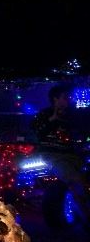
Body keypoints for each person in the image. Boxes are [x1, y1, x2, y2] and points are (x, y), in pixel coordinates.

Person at [32, 84, 90, 224]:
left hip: (73, 155)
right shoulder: (44, 114)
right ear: (55, 99)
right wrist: (53, 119)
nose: (68, 100)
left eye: (68, 97)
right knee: (76, 180)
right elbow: (38, 132)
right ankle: (86, 216)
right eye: (65, 97)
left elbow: (83, 130)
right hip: (53, 156)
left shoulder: (73, 115)